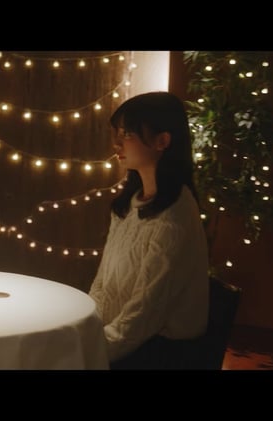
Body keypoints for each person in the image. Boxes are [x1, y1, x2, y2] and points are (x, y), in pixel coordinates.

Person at [88, 91, 209, 369]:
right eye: (118, 133)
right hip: (124, 339)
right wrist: (86, 328)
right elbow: (103, 284)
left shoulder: (174, 216)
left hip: (160, 353)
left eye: (128, 134)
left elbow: (146, 312)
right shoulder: (129, 203)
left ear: (162, 141)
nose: (117, 143)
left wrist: (89, 351)